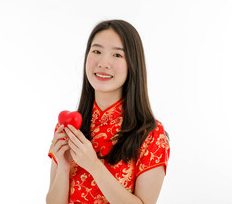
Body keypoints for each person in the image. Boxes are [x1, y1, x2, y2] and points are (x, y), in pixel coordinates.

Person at [46, 20, 170, 204]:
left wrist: (94, 166)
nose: (104, 62)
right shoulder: (70, 127)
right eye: (96, 51)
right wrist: (63, 168)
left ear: (133, 64)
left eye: (117, 55)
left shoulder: (150, 134)